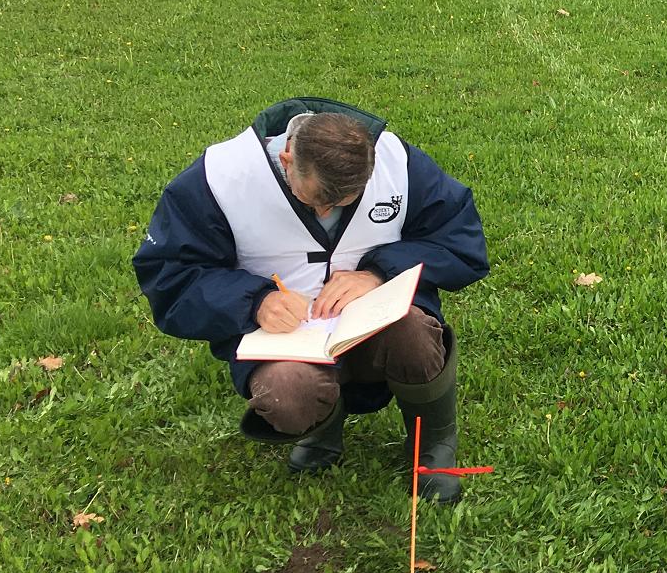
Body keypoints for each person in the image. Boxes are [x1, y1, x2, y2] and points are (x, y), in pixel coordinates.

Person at [133, 99, 489, 501]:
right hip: (285, 338)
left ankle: (433, 447)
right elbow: (169, 272)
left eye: (342, 203)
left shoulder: (397, 163)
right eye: (313, 200)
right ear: (286, 158)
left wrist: (378, 272)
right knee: (288, 393)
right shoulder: (220, 177)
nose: (325, 210)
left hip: (381, 323)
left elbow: (461, 242)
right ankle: (323, 429)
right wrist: (253, 301)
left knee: (414, 334)